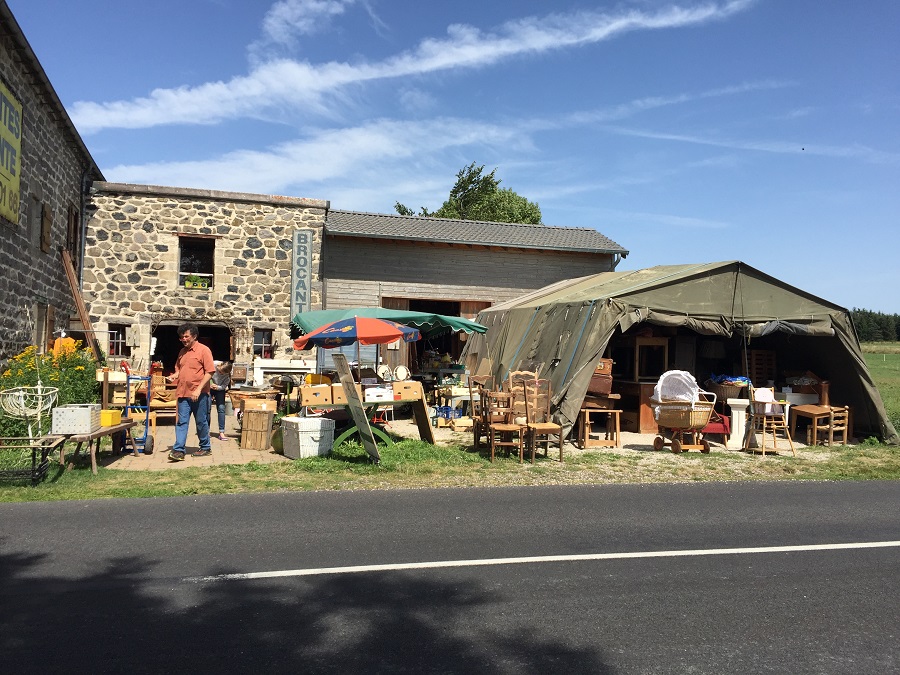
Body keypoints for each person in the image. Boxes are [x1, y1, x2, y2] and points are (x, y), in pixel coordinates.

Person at [167, 322, 215, 461]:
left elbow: (210, 372)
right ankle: (178, 450)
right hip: (183, 393)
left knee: (201, 422)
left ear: (194, 336)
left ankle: (205, 448)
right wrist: (174, 376)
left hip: (199, 395)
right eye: (181, 337)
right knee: (181, 422)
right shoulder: (182, 352)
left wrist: (198, 389)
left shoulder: (204, 350)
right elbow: (179, 369)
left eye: (186, 336)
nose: (184, 339)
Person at [210, 360, 233, 441]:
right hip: (209, 387)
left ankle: (221, 432)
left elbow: (224, 386)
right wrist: (210, 384)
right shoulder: (213, 364)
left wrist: (218, 387)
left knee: (221, 409)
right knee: (207, 409)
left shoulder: (228, 375)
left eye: (222, 373)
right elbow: (206, 373)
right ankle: (206, 431)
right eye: (220, 371)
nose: (221, 373)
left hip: (219, 389)